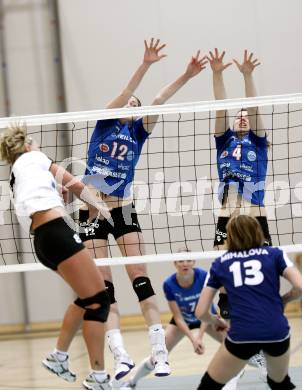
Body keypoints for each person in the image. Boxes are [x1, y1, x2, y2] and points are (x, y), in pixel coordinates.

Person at [43, 38, 208, 382]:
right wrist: (145, 65)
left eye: (135, 104)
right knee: (103, 289)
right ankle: (119, 356)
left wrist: (187, 76)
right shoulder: (105, 123)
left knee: (139, 277)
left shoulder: (138, 131)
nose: (131, 103)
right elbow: (126, 91)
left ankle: (160, 353)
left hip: (123, 209)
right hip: (92, 211)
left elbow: (159, 100)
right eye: (128, 101)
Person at [0, 125, 112, 390]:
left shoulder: (17, 174)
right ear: (27, 146)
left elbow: (45, 194)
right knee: (99, 301)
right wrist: (101, 207)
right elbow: (74, 183)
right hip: (56, 233)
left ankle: (58, 357)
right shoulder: (35, 158)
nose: (39, 147)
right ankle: (98, 378)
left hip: (43, 241)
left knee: (87, 299)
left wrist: (57, 193)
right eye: (36, 143)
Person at [195, 214, 302, 390]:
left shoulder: (220, 263)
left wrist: (217, 321)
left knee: (208, 386)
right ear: (258, 232)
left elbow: (200, 312)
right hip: (277, 332)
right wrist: (284, 300)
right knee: (279, 384)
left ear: (230, 236)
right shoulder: (275, 254)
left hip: (243, 334)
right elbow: (300, 286)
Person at [120, 249, 242, 390]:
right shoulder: (169, 284)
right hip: (183, 321)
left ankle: (255, 370)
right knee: (158, 356)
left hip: (208, 319)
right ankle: (131, 382)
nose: (185, 264)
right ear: (175, 263)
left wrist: (200, 337)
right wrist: (193, 339)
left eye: (188, 260)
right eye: (181, 261)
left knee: (235, 347)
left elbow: (206, 311)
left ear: (193, 262)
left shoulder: (203, 276)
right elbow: (177, 317)